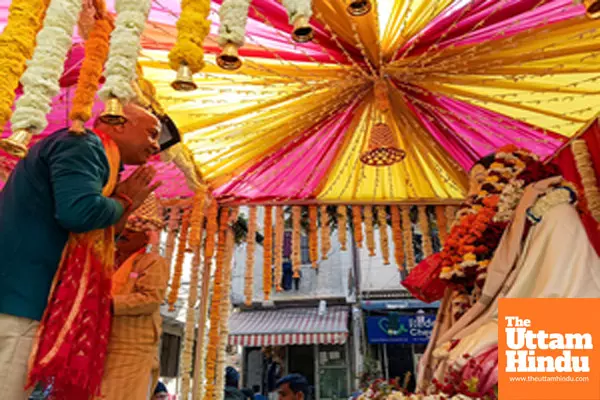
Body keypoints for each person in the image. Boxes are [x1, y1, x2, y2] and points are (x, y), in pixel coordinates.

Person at [0, 103, 161, 399]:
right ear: (117, 122)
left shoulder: (99, 157)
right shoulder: (83, 144)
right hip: (19, 305)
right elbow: (79, 213)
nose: (155, 145)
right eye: (152, 134)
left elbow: (91, 231)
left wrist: (122, 203)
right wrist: (124, 201)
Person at [416, 146, 600, 397]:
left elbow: (565, 288)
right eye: (471, 187)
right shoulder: (488, 238)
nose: (472, 196)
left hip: (558, 322)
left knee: (479, 361)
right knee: (455, 356)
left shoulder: (555, 214)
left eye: (481, 183)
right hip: (508, 320)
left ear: (508, 182)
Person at [100, 194, 169, 399]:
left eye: (136, 228)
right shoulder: (105, 260)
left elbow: (150, 299)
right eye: (125, 227)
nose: (127, 232)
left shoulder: (152, 262)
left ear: (147, 236)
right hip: (102, 346)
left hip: (131, 351)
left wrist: (107, 304)